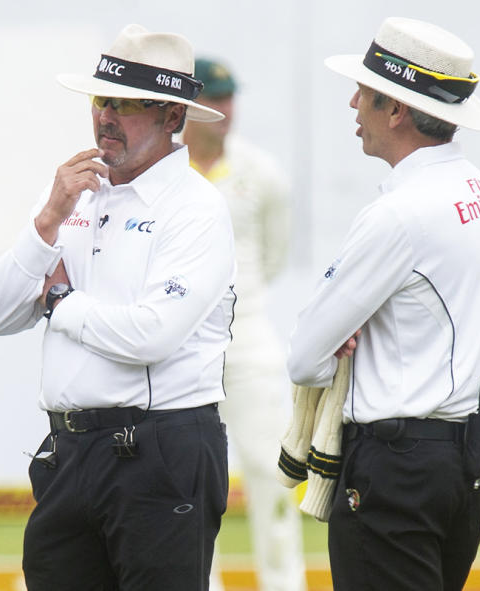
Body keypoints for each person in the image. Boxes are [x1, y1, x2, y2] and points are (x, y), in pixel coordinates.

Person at [0, 24, 236, 591]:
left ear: (173, 117)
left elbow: (151, 335)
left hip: (160, 450)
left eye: (126, 104)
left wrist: (58, 302)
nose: (105, 117)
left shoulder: (196, 208)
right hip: (69, 452)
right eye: (101, 100)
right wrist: (47, 217)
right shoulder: (74, 194)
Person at [286, 17, 480, 590]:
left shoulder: (400, 212)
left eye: (365, 91)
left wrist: (338, 338)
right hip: (464, 459)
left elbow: (306, 355)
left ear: (397, 110)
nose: (352, 102)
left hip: (398, 465)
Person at [182, 58, 307, 591]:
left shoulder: (262, 173)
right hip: (181, 348)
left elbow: (274, 257)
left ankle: (284, 584)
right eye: (213, 96)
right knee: (190, 484)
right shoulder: (161, 171)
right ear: (186, 106)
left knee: (271, 473)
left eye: (230, 96)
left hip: (249, 340)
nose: (224, 108)